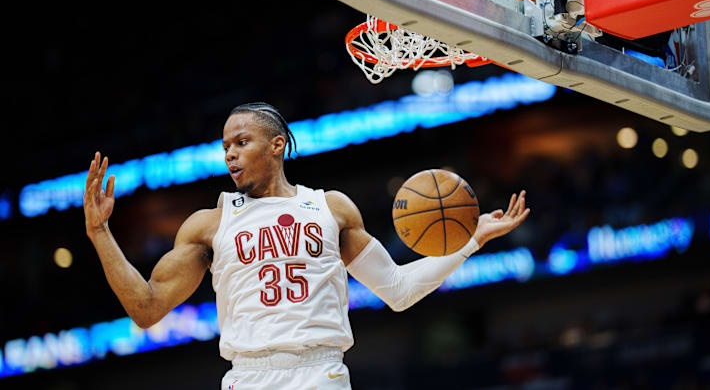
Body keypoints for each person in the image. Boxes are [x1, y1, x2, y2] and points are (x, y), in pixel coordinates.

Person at [83, 102, 530, 390]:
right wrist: (100, 233)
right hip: (249, 376)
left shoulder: (330, 208)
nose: (230, 155)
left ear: (276, 145)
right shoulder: (208, 224)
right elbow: (146, 308)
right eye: (225, 147)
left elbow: (397, 289)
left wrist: (471, 240)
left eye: (242, 142)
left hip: (320, 371)